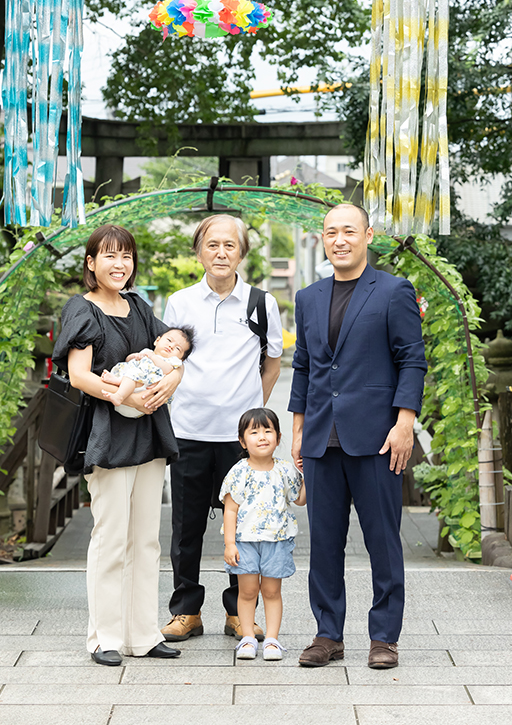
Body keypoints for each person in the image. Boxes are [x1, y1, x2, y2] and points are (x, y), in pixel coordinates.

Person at [289, 203, 427, 670]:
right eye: (331, 232)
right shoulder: (308, 297)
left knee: (383, 541)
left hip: (378, 437)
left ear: (368, 235)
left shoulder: (393, 291)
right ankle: (328, 634)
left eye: (349, 231)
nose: (340, 239)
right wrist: (298, 429)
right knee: (323, 544)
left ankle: (384, 636)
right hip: (322, 438)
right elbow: (304, 367)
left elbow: (412, 358)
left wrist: (404, 420)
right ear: (323, 240)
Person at [52, 224, 183, 666]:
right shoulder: (82, 310)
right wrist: (125, 394)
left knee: (146, 539)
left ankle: (143, 634)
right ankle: (104, 637)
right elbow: (80, 375)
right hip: (108, 432)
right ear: (91, 263)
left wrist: (170, 381)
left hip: (148, 430)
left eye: (125, 256)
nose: (119, 264)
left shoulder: (140, 307)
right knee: (111, 537)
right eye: (109, 256)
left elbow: (174, 352)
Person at [161, 214, 284, 643]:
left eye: (229, 245)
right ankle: (186, 611)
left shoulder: (260, 303)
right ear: (200, 251)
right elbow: (169, 358)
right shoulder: (179, 302)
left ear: (241, 253)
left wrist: (251, 410)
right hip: (189, 429)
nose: (221, 253)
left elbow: (272, 362)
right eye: (212, 245)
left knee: (246, 527)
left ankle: (238, 612)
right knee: (186, 527)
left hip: (240, 442)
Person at [221, 407, 306, 661]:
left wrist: (309, 472)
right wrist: (229, 544)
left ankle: (272, 640)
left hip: (277, 542)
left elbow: (300, 500)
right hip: (244, 543)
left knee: (271, 592)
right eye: (254, 432)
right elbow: (230, 510)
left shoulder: (285, 470)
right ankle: (247, 638)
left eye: (268, 431)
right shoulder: (238, 471)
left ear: (278, 438)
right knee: (247, 592)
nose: (262, 437)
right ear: (242, 441)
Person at [101, 326, 195, 411]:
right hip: (133, 387)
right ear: (157, 341)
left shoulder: (170, 362)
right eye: (169, 340)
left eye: (178, 348)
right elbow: (128, 360)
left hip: (144, 388)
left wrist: (152, 357)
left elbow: (167, 370)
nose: (171, 346)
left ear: (181, 359)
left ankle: (119, 395)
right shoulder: (147, 351)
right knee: (130, 372)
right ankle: (119, 381)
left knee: (134, 375)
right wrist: (134, 356)